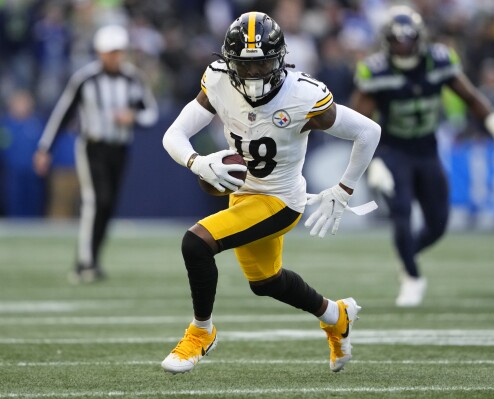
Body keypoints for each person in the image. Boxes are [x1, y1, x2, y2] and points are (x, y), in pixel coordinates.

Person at [161, 11, 380, 374]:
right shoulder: (217, 81)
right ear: (228, 63)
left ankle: (201, 332)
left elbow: (368, 131)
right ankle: (336, 315)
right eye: (243, 66)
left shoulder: (303, 95)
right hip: (242, 193)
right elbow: (174, 135)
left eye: (261, 64)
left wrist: (343, 189)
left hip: (280, 200)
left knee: (196, 243)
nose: (252, 74)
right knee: (265, 282)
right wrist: (198, 163)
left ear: (279, 60)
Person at [351, 6, 494, 307]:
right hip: (392, 149)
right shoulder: (375, 71)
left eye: (407, 39)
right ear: (386, 41)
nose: (402, 46)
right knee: (400, 210)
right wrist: (373, 162)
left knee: (439, 223)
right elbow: (357, 123)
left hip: (427, 148)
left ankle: (407, 255)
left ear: (420, 38)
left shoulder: (439, 61)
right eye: (396, 40)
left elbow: (469, 97)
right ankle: (413, 277)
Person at [33, 24, 158, 283]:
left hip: (120, 148)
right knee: (96, 201)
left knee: (108, 204)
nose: (113, 57)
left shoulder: (133, 78)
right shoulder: (85, 79)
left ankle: (93, 259)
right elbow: (63, 113)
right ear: (99, 52)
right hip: (93, 147)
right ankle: (84, 262)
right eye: (109, 52)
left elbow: (151, 113)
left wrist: (132, 116)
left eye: (117, 52)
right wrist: (45, 148)